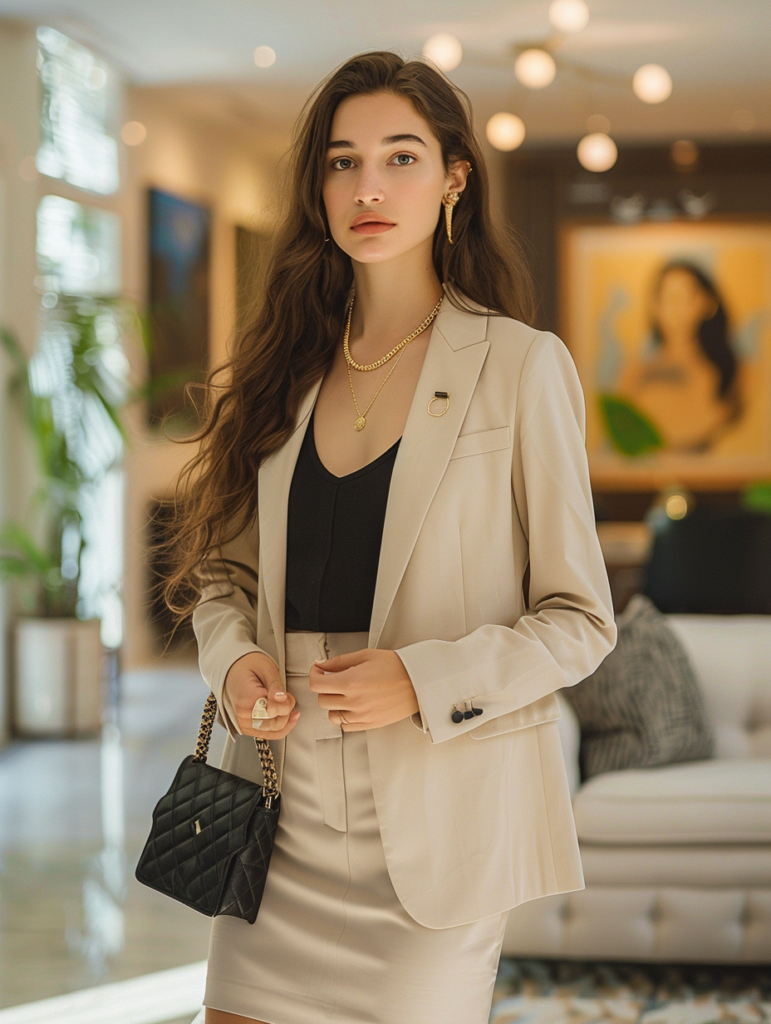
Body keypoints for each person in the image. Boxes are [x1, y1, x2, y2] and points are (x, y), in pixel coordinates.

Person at [160, 51, 616, 1024]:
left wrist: (420, 678)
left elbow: (580, 620)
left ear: (454, 178)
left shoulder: (521, 367)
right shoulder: (280, 370)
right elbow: (223, 580)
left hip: (440, 827)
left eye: (400, 157)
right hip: (278, 814)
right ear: (318, 187)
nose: (368, 186)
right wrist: (234, 664)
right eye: (343, 162)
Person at [616, 260, 743, 452]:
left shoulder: (728, 371)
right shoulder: (635, 370)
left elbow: (714, 419)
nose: (675, 308)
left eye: (685, 298)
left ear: (706, 303)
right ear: (655, 306)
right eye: (668, 298)